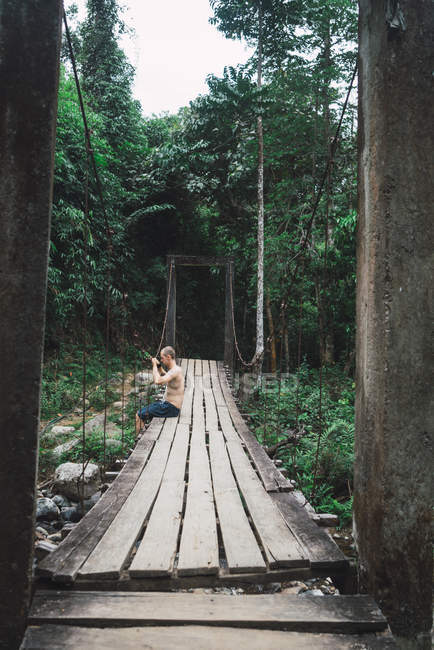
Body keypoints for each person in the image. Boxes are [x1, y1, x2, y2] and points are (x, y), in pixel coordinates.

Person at [135, 346, 184, 433]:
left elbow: (157, 381)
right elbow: (164, 375)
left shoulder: (174, 371)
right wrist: (158, 366)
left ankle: (138, 438)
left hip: (170, 408)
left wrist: (154, 366)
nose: (161, 360)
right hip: (168, 406)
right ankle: (142, 432)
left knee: (139, 415)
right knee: (143, 412)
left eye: (162, 358)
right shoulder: (176, 369)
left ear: (168, 357)